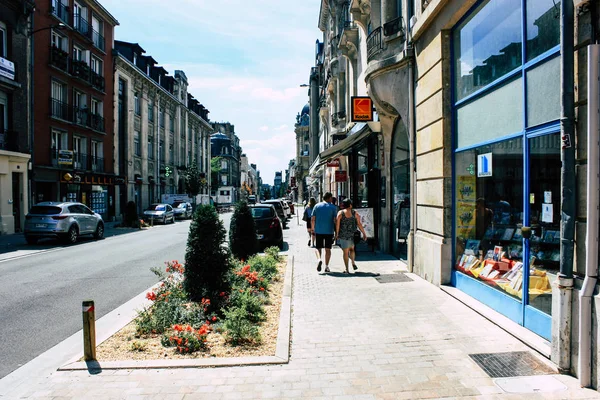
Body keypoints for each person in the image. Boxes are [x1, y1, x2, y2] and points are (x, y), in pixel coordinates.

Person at [334, 198, 367, 273]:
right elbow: (359, 224)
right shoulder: (355, 213)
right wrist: (364, 233)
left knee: (345, 252)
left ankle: (347, 269)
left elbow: (337, 225)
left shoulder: (340, 213)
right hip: (353, 235)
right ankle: (353, 262)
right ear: (350, 205)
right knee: (352, 250)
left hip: (343, 235)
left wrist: (337, 234)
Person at [310, 192, 338, 273]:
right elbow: (335, 220)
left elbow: (312, 219)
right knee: (328, 249)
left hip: (318, 231)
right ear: (329, 198)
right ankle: (326, 266)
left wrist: (312, 229)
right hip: (329, 231)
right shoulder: (333, 207)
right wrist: (336, 232)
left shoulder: (317, 206)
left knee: (318, 248)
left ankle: (319, 260)